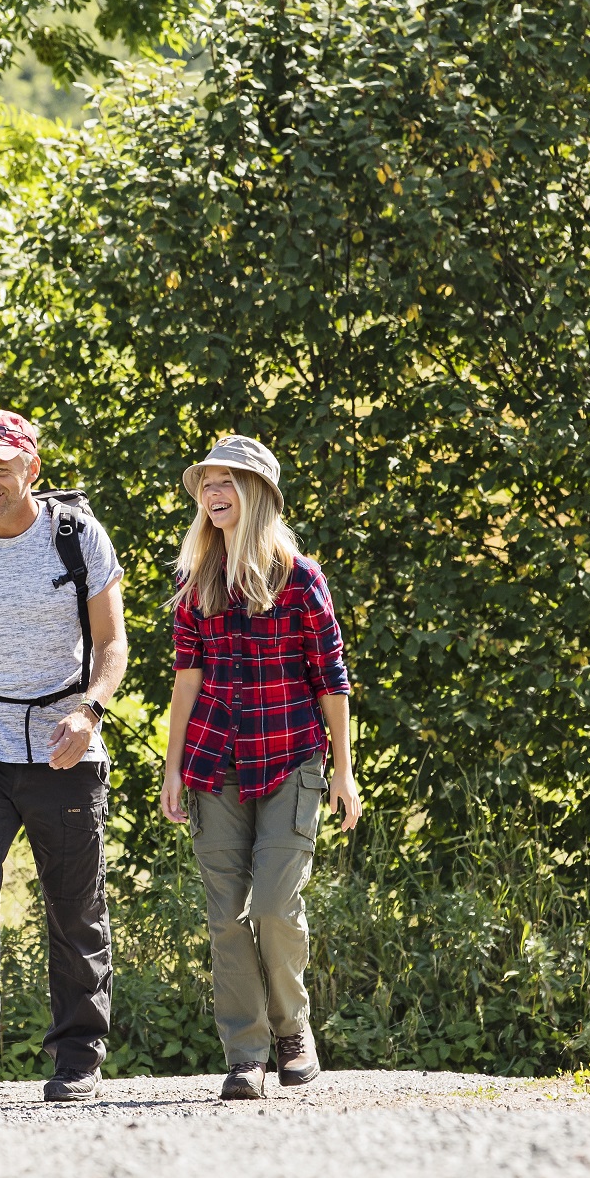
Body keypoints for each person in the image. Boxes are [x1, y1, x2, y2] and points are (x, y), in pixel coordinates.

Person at [0, 410, 129, 1103]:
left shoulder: (77, 538)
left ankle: (77, 1057)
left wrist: (89, 710)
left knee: (74, 909)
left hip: (63, 751)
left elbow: (112, 643)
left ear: (30, 469)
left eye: (0, 469)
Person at [158, 435, 361, 1101]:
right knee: (226, 917)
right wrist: (171, 769)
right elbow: (186, 680)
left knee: (273, 906)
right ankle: (245, 1055)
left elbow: (331, 677)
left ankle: (293, 1030)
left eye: (227, 482)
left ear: (258, 495)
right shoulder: (196, 581)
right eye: (207, 484)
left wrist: (342, 770)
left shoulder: (300, 577)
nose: (213, 494)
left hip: (291, 759)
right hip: (213, 763)